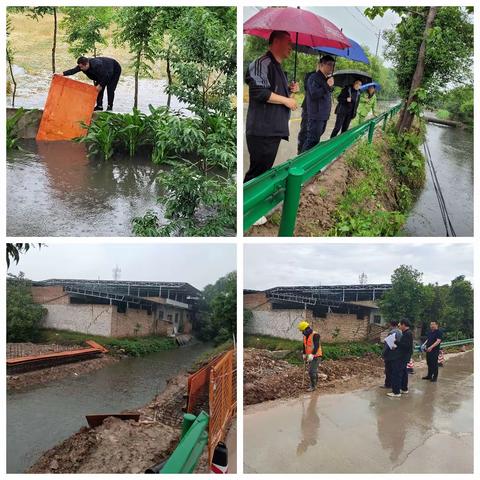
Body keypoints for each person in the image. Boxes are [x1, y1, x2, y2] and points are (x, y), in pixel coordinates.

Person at [244, 31, 299, 183]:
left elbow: (275, 92)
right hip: (262, 132)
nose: (291, 47)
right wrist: (286, 100)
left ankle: (254, 203)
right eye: (288, 42)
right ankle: (247, 205)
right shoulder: (261, 63)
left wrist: (290, 90)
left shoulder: (278, 67)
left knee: (263, 173)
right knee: (256, 175)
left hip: (273, 131)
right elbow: (259, 92)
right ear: (276, 42)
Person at [301, 55, 335, 153]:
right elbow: (314, 94)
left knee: (316, 140)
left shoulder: (327, 79)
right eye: (329, 64)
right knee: (311, 140)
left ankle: (309, 163)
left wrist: (330, 86)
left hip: (323, 116)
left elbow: (326, 94)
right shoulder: (314, 77)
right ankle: (300, 164)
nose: (331, 67)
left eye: (332, 65)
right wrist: (327, 85)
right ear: (321, 64)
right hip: (316, 115)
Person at [388, 319, 413, 398]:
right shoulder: (407, 333)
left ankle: (396, 392)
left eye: (400, 325)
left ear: (404, 325)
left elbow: (405, 346)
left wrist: (395, 342)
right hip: (404, 356)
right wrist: (396, 346)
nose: (399, 327)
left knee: (397, 373)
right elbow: (404, 345)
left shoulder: (407, 334)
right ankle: (404, 389)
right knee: (404, 372)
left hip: (402, 357)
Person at [298, 321, 322, 392]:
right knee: (314, 371)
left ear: (306, 329)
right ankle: (315, 383)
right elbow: (304, 345)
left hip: (316, 356)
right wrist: (304, 354)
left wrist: (312, 354)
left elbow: (316, 345)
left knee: (311, 371)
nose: (302, 332)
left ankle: (313, 386)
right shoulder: (305, 336)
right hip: (309, 356)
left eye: (302, 331)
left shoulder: (315, 335)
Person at [381, 320, 402, 389]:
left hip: (390, 354)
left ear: (391, 325)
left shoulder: (391, 332)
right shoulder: (400, 332)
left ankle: (388, 384)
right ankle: (393, 383)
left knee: (388, 370)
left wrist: (383, 354)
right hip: (397, 354)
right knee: (394, 370)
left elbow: (388, 345)